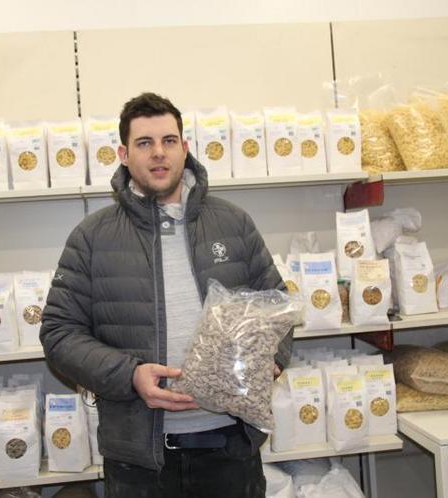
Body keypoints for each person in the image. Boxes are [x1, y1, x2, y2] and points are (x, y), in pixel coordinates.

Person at [40, 92, 292, 497]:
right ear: (124, 155)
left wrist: (271, 361)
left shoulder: (233, 223)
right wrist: (129, 375)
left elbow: (277, 305)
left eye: (169, 141)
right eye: (144, 143)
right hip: (140, 459)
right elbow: (58, 334)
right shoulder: (92, 237)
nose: (159, 153)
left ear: (184, 148)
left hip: (230, 448)